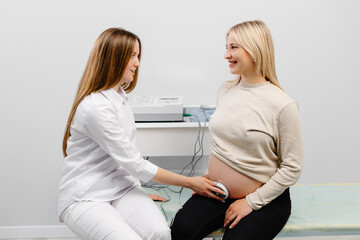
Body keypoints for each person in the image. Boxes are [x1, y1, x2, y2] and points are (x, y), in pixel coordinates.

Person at [58, 28, 225, 240]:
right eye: (132, 56)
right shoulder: (95, 108)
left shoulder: (121, 97)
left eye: (138, 56)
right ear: (114, 58)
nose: (137, 63)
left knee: (161, 233)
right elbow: (135, 164)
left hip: (121, 189)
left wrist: (138, 193)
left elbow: (123, 162)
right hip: (86, 197)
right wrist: (191, 182)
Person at [170, 20, 303, 240]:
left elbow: (292, 167)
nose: (226, 55)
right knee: (181, 230)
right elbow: (224, 142)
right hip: (218, 191)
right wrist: (209, 179)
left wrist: (250, 202)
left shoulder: (283, 105)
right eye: (226, 47)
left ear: (255, 48)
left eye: (234, 47)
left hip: (265, 199)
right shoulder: (225, 90)